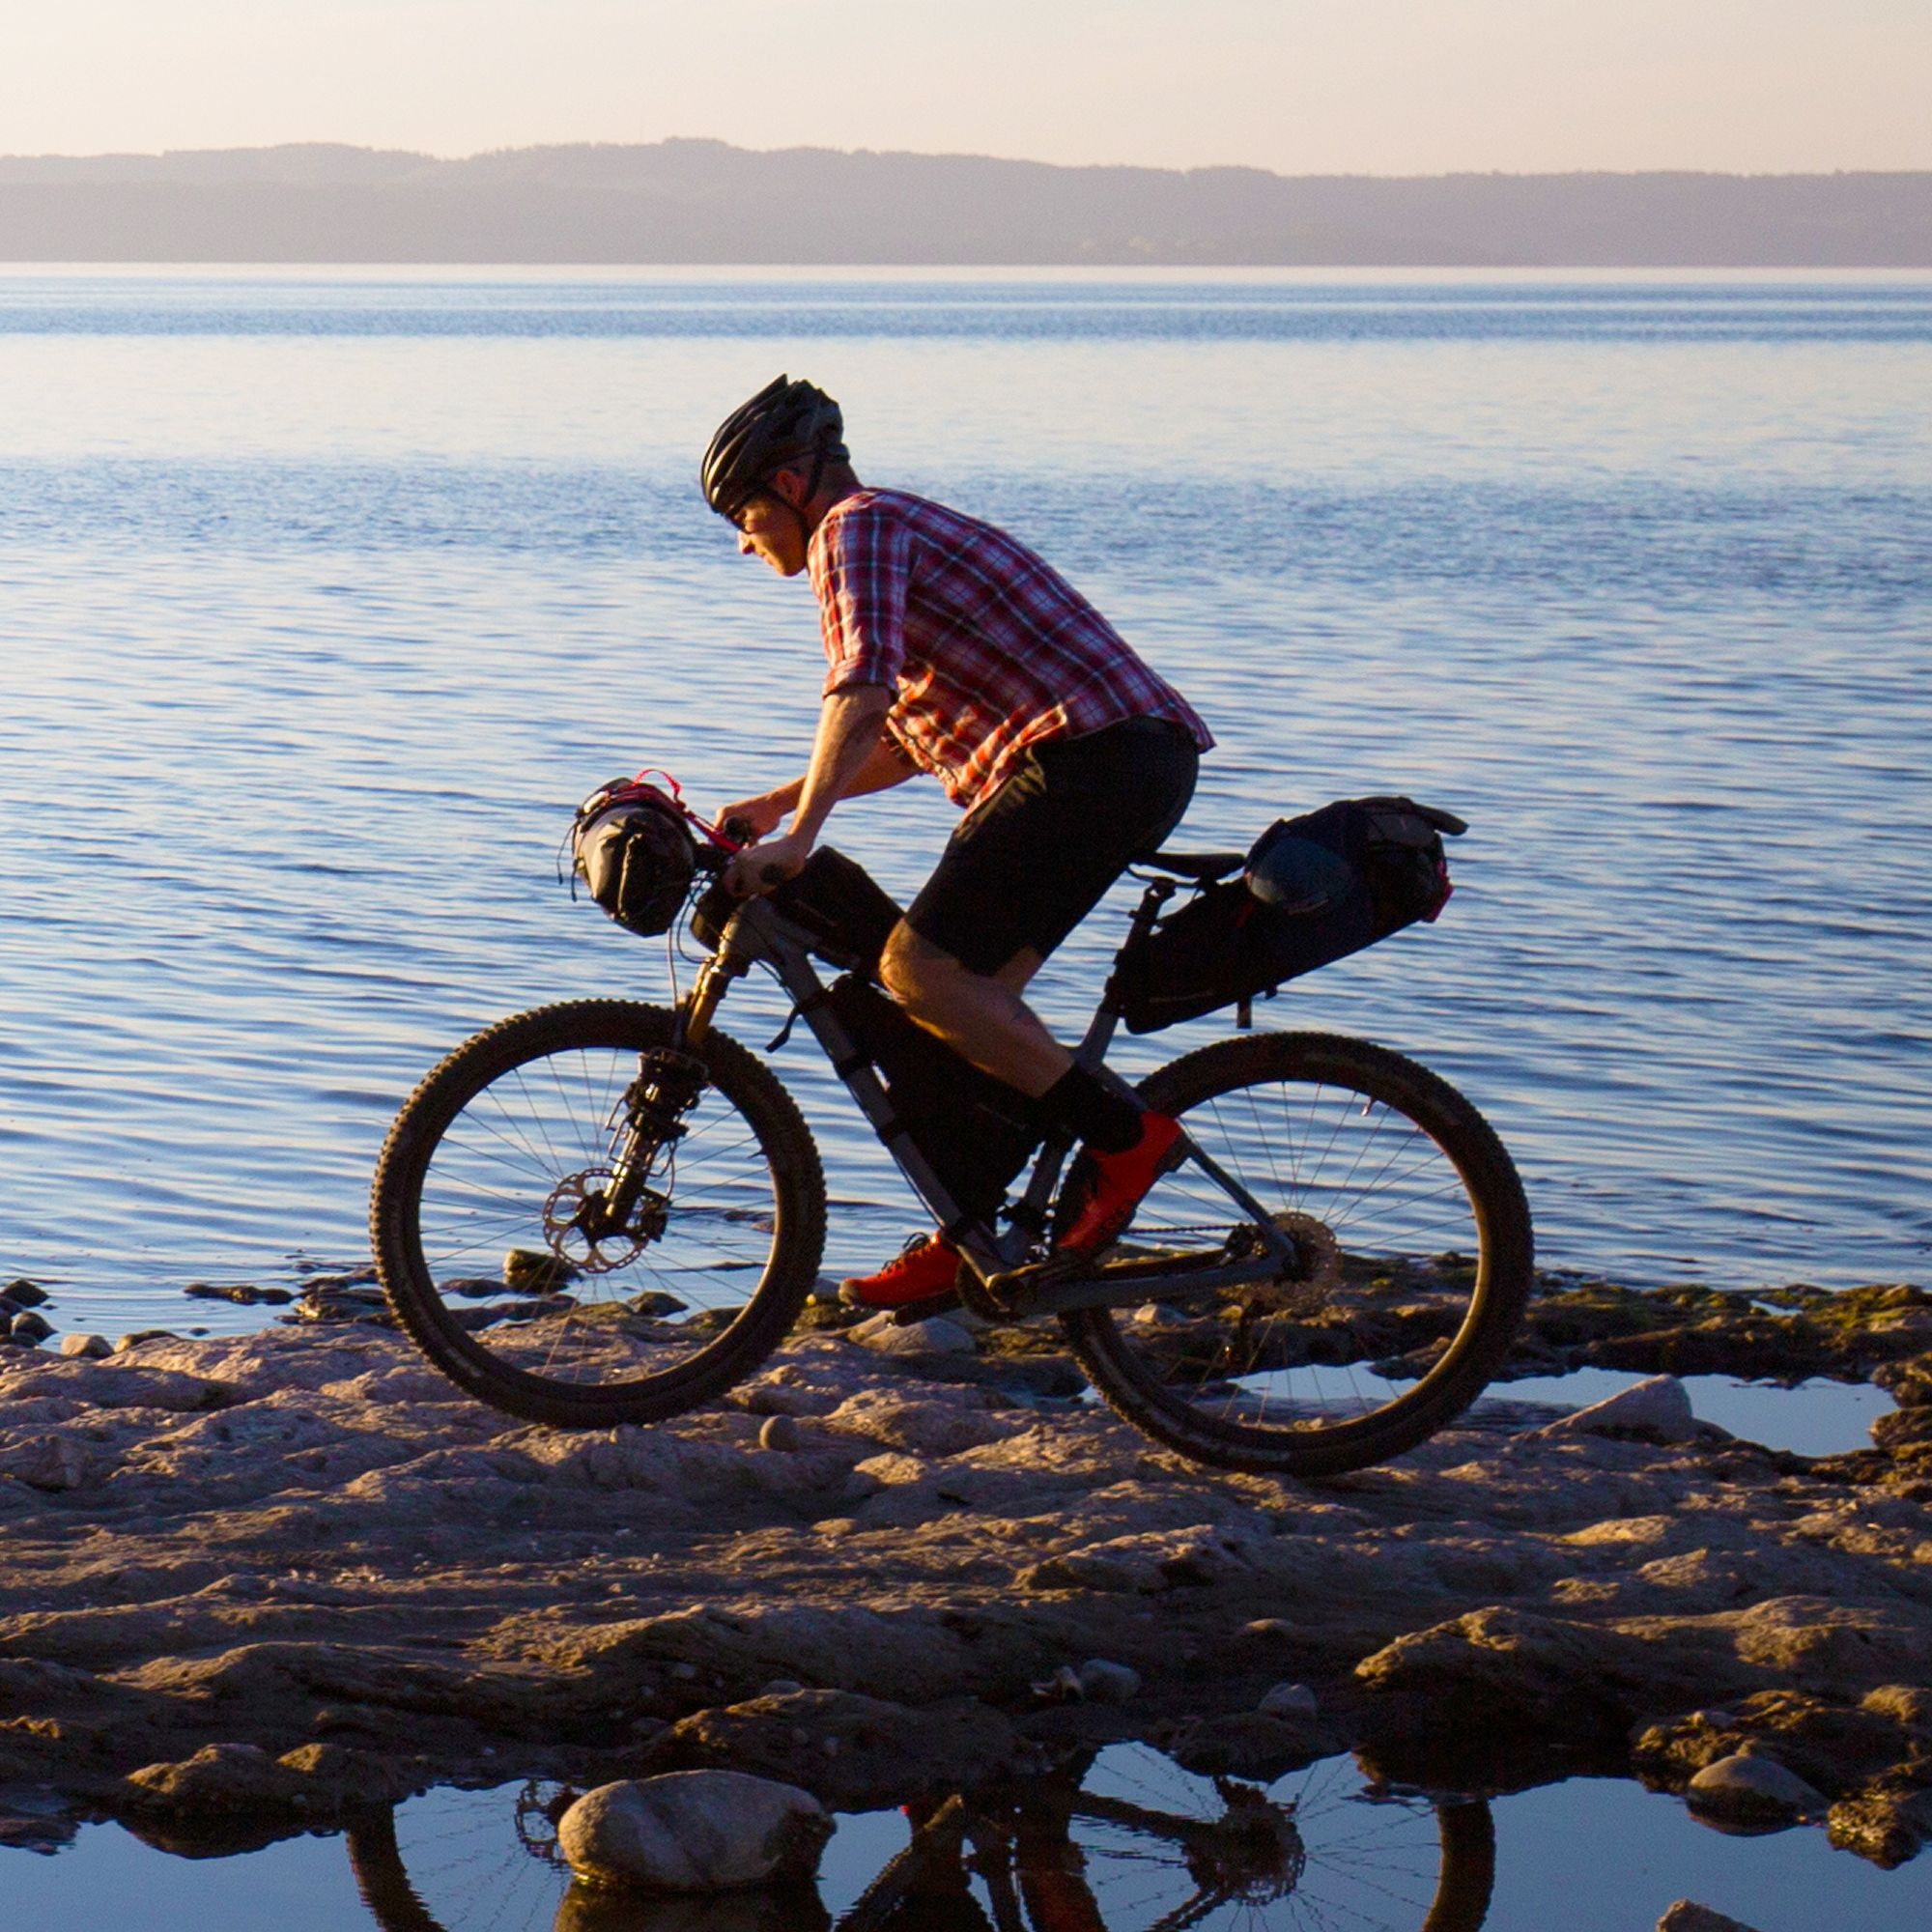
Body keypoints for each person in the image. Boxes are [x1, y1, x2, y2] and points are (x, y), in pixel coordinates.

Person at [703, 374, 1213, 1308]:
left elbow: (860, 689)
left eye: (741, 513)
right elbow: (902, 736)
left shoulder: (851, 530)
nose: (742, 540)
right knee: (965, 1022)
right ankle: (974, 1232)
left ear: (786, 485)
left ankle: (1129, 1143)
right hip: (1123, 761)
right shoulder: (887, 528)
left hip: (1090, 761)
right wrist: (779, 806)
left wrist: (801, 839)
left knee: (917, 972)